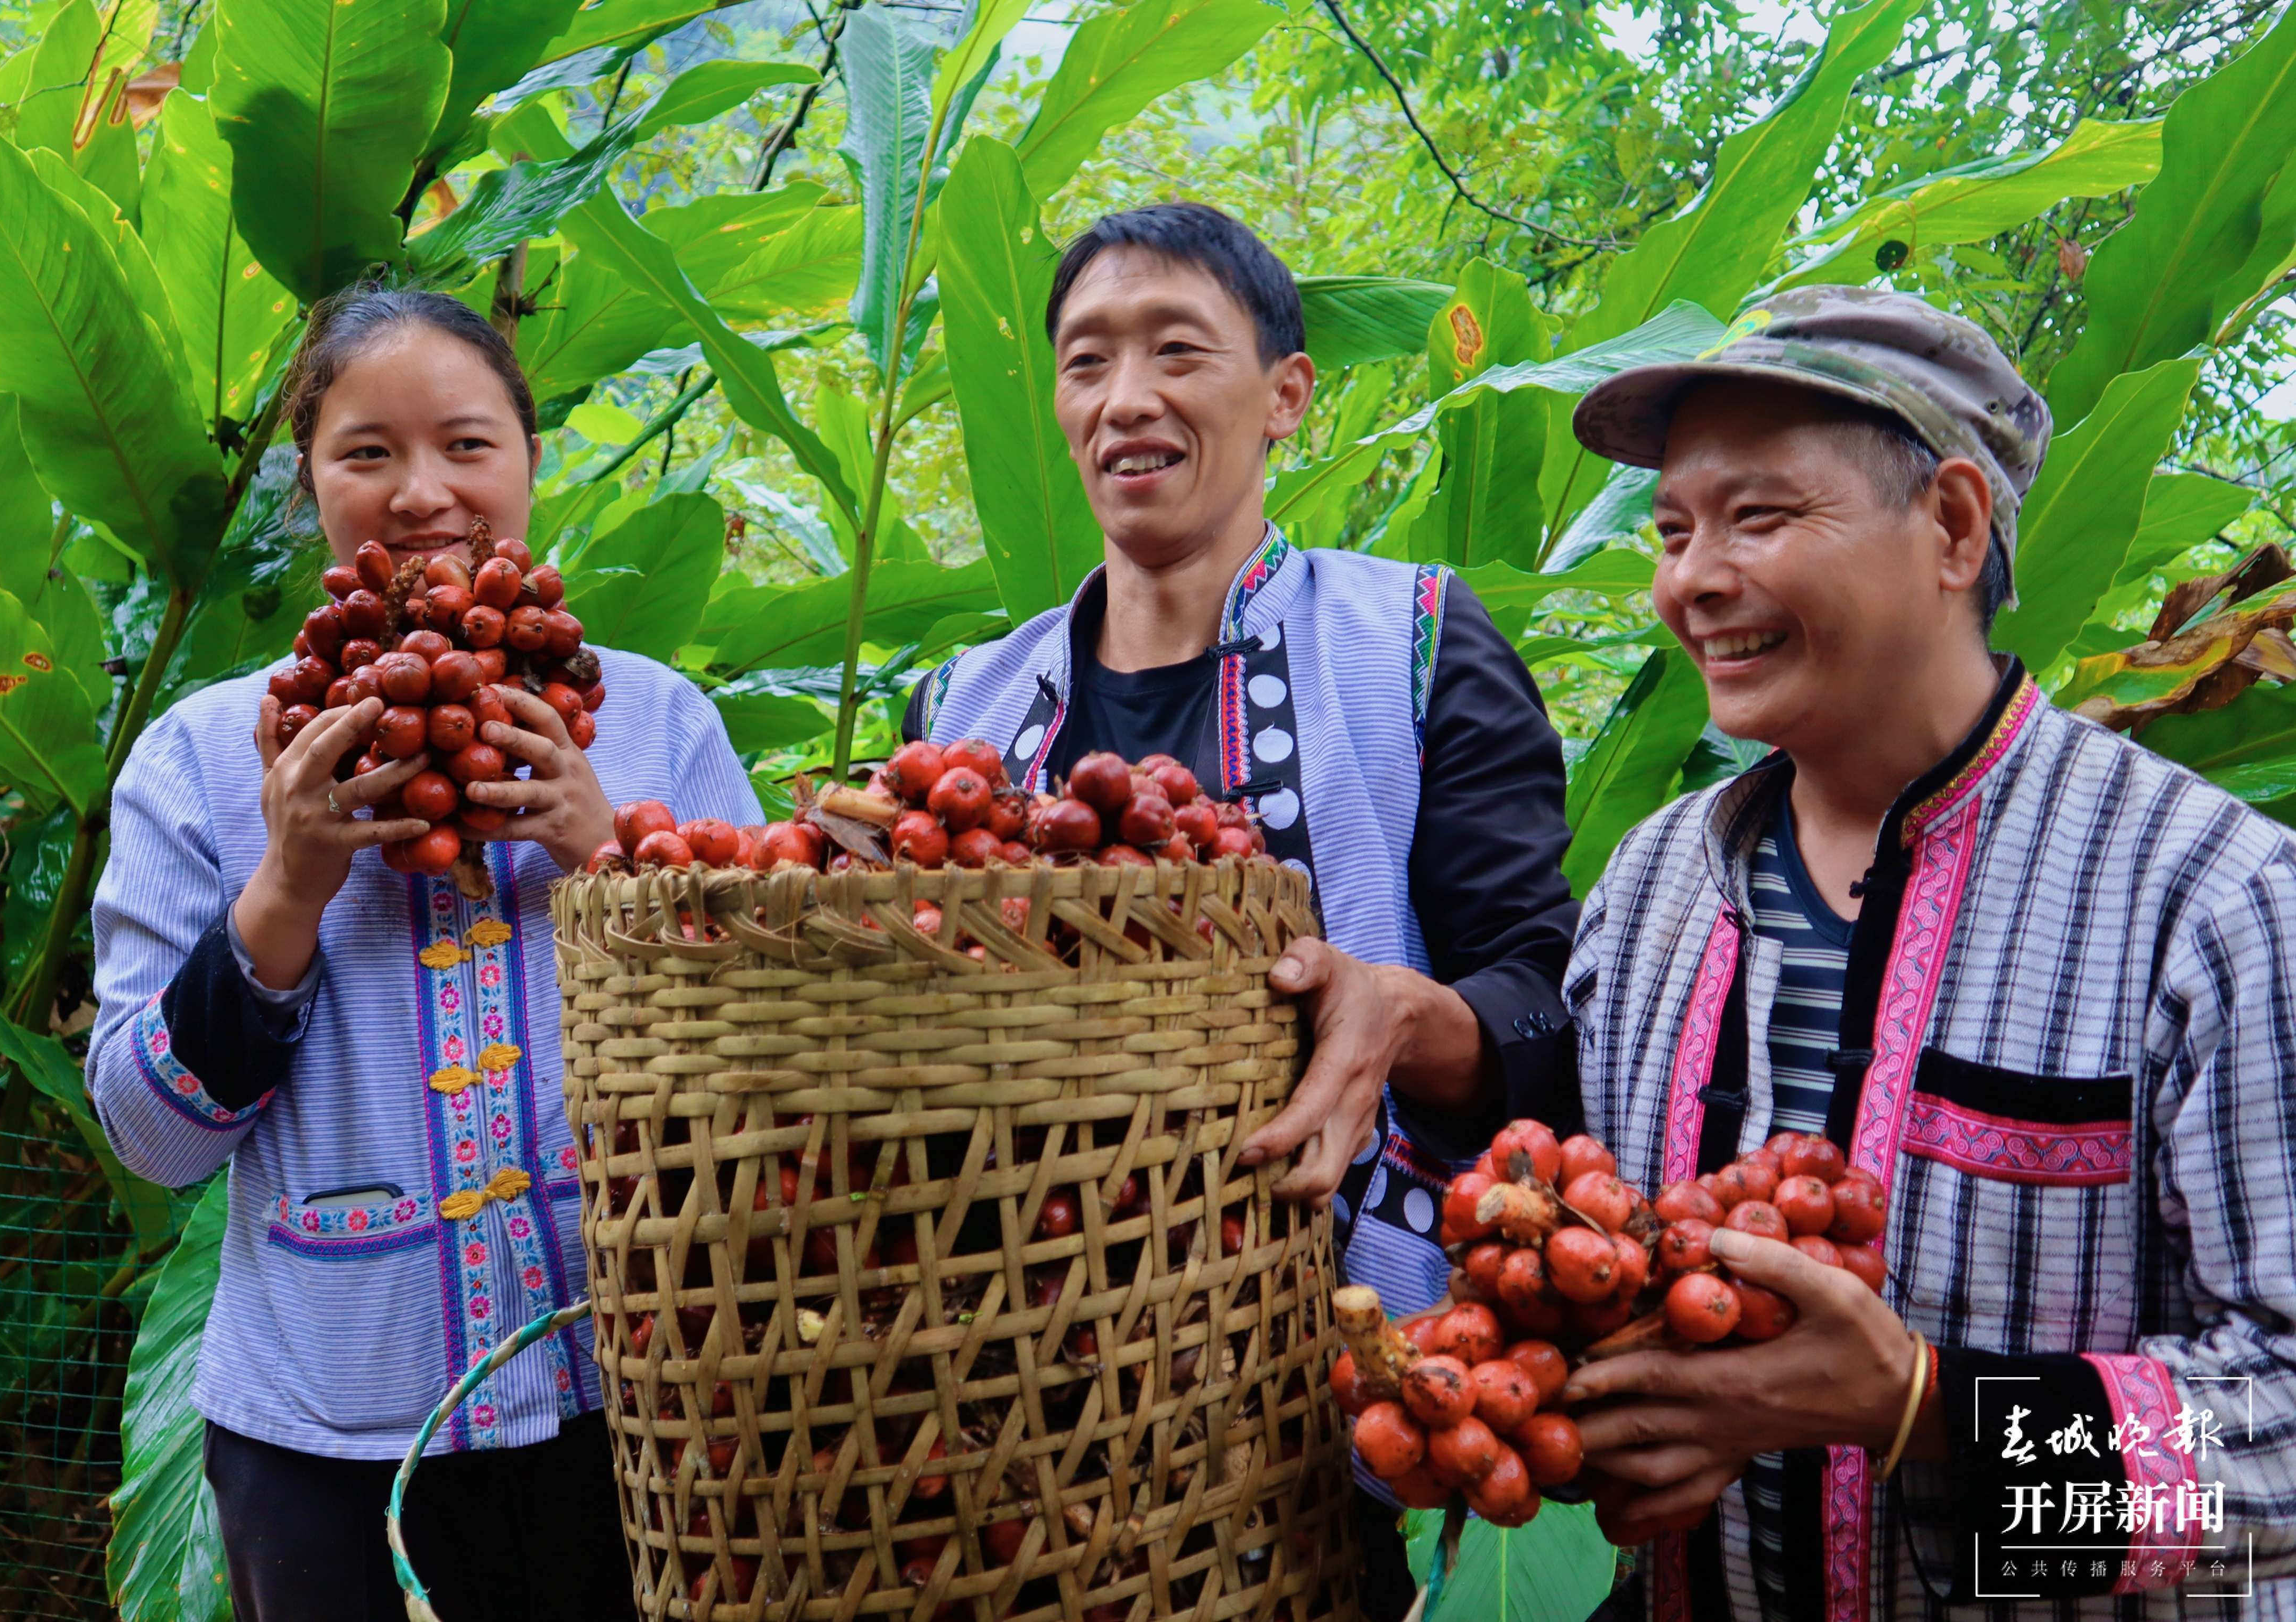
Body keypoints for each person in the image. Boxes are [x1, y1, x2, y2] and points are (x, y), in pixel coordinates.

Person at [1545, 286, 2296, 1617]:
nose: (1690, 578)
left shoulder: (2211, 899)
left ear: (1951, 525)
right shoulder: (1649, 889)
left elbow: (2289, 1442)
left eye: (1757, 517)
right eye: (1671, 531)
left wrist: (1925, 1412)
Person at [900, 201, 1581, 1617]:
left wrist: (1404, 1014)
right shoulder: (958, 711)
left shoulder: (1413, 645)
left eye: (1175, 350)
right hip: (1003, 1405)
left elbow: (1543, 1005)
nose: (1124, 397)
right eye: (1086, 361)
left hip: (1315, 1402)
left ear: (1284, 395)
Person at [88, 286, 761, 1622]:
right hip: (329, 1432)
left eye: (466, 444)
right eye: (366, 452)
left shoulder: (657, 729)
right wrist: (287, 883)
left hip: (640, 1404)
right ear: (309, 481)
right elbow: (150, 1137)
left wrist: (605, 851)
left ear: (526, 459)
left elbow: (777, 1057)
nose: (423, 493)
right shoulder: (208, 759)